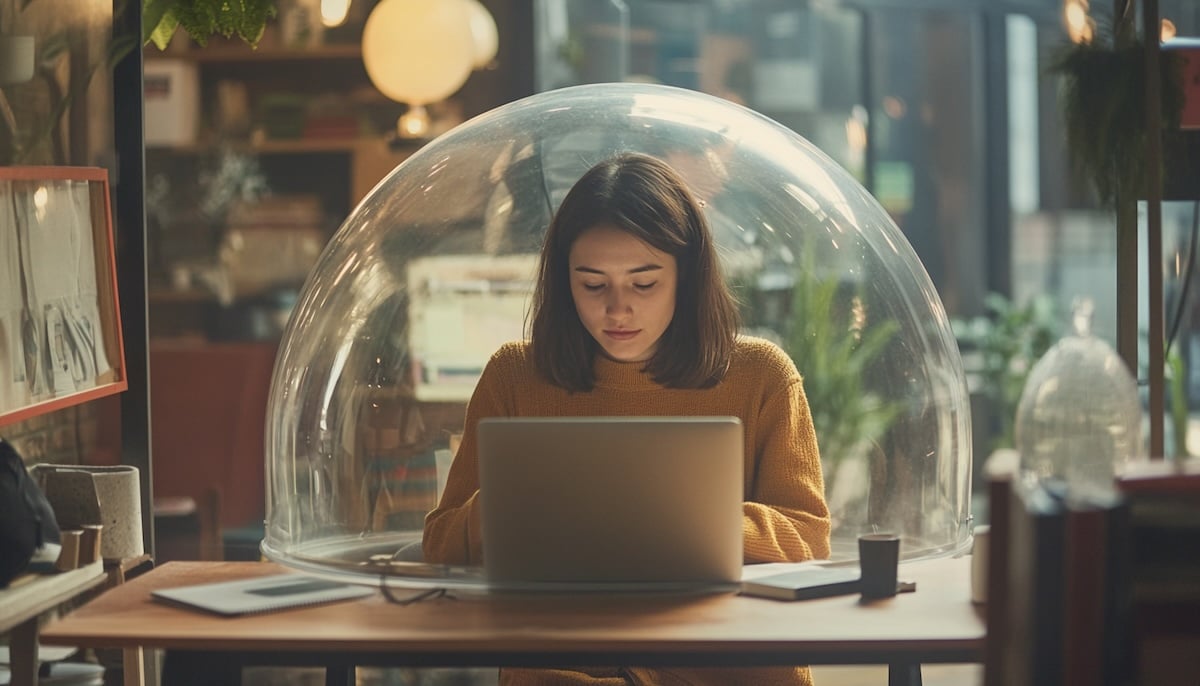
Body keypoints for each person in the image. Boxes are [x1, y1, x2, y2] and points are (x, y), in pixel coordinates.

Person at [423, 151, 831, 686]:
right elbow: (441, 544)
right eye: (592, 285)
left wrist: (679, 525)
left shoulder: (761, 376)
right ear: (562, 280)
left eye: (644, 284)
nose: (617, 310)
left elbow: (808, 536)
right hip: (564, 666)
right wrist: (515, 508)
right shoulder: (514, 377)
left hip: (726, 665)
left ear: (686, 277)